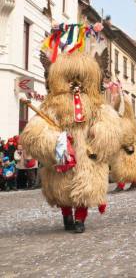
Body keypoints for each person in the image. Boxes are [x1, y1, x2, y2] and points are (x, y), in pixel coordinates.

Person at [20, 51, 124, 233]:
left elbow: (109, 123)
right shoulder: (51, 104)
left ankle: (80, 219)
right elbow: (37, 127)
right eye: (70, 78)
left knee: (86, 186)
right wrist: (51, 140)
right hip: (63, 153)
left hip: (86, 152)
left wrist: (100, 134)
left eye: (80, 78)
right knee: (62, 187)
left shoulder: (96, 104)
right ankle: (66, 215)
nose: (75, 83)